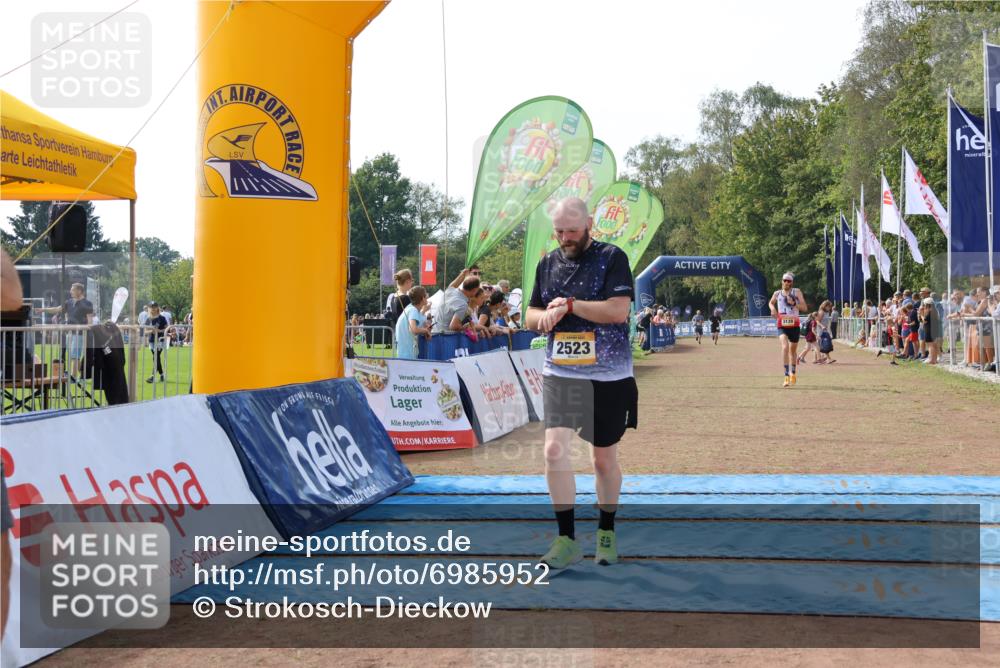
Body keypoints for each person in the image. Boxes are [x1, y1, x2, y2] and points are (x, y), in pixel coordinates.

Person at [526, 197, 636, 570]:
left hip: (609, 374)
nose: (565, 238)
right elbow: (530, 312)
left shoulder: (612, 257)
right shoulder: (547, 263)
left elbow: (617, 311)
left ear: (590, 223)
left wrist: (570, 305)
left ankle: (606, 530)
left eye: (572, 231)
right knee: (553, 452)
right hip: (561, 371)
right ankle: (566, 539)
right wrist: (543, 319)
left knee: (602, 460)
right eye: (558, 231)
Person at [40, 282, 93, 376]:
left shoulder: (87, 303)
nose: (70, 291)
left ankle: (73, 377)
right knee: (74, 356)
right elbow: (57, 309)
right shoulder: (69, 302)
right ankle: (82, 374)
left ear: (79, 291)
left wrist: (87, 332)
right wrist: (43, 310)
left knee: (74, 356)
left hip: (79, 334)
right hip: (69, 333)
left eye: (73, 290)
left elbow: (90, 321)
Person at [769, 271, 807, 387]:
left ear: (791, 283)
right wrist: (772, 309)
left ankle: (793, 373)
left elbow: (804, 308)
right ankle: (786, 376)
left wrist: (795, 303)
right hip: (782, 324)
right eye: (784, 280)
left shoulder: (797, 292)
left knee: (792, 351)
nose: (786, 282)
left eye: (788, 281)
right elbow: (770, 303)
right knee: (785, 347)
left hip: (794, 325)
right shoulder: (777, 294)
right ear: (782, 281)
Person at [433, 269, 481, 334]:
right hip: (445, 338)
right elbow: (453, 326)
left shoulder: (450, 290)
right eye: (477, 290)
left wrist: (462, 274)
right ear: (474, 290)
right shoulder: (463, 305)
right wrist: (465, 327)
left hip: (434, 333)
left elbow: (453, 284)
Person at [395, 286, 431, 359]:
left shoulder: (411, 308)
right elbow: (413, 329)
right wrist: (426, 331)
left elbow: (417, 324)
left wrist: (425, 330)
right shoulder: (412, 310)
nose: (427, 296)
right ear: (423, 298)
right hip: (407, 354)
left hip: (406, 353)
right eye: (425, 294)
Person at [145, 302, 168, 383]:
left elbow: (167, 329)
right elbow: (144, 331)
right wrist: (151, 331)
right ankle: (161, 375)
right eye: (151, 307)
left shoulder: (162, 318)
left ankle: (153, 376)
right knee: (156, 358)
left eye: (154, 307)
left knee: (156, 357)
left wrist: (159, 331)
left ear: (157, 308)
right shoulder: (148, 319)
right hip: (151, 341)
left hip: (160, 340)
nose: (153, 308)